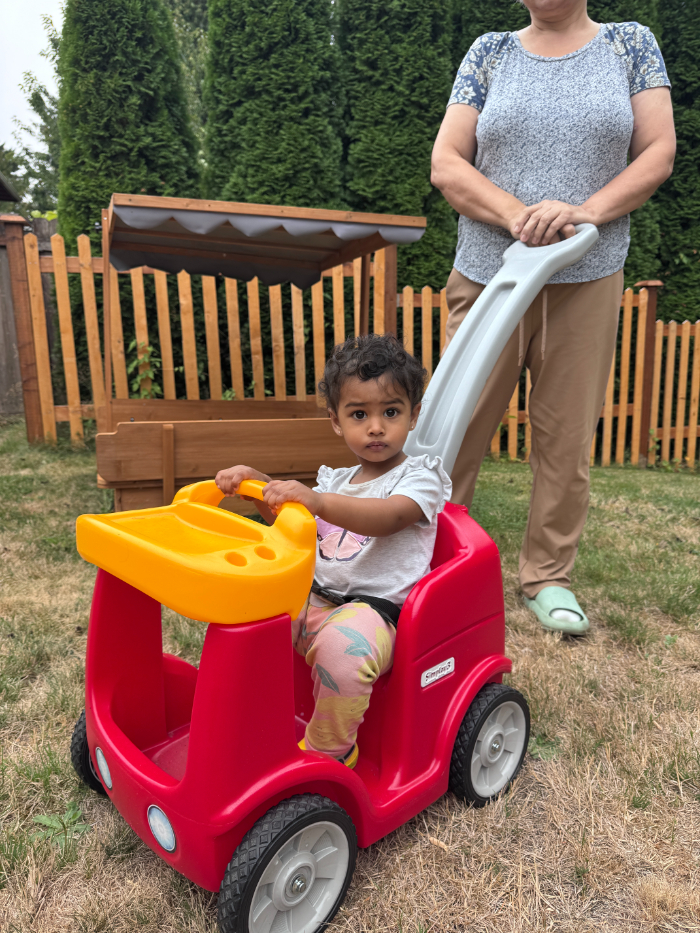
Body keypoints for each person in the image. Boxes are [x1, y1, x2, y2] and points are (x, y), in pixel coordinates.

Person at [430, 0, 675, 635]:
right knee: (450, 428)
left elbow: (657, 153)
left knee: (566, 438)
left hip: (587, 274)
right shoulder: (489, 53)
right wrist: (518, 215)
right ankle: (427, 561)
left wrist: (584, 212)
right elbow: (448, 163)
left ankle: (547, 577)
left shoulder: (630, 45)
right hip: (491, 273)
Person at [215, 334, 451, 768]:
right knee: (249, 623)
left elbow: (390, 517)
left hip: (375, 612)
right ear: (337, 421)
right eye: (359, 414)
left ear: (414, 416)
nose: (376, 427)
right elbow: (300, 524)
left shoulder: (420, 477)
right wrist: (258, 486)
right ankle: (239, 723)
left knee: (344, 652)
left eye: (391, 412)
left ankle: (330, 752)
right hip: (313, 599)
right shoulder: (336, 481)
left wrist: (319, 501)